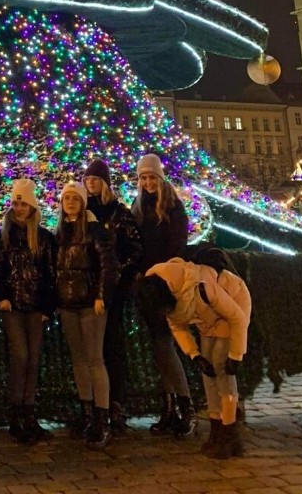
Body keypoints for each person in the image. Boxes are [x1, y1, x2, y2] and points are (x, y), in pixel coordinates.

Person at [136, 256, 251, 458]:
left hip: (231, 309)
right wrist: (195, 355)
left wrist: (236, 354)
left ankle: (229, 432)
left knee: (221, 367)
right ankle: (216, 430)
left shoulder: (201, 286)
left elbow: (237, 317)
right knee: (208, 372)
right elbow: (177, 325)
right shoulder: (167, 294)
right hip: (207, 322)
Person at [131, 153, 196, 437]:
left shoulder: (172, 206)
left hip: (166, 285)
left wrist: (163, 273)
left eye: (151, 177)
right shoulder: (138, 207)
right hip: (146, 285)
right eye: (143, 178)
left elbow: (178, 245)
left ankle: (186, 406)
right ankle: (169, 407)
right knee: (159, 348)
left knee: (166, 345)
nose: (147, 182)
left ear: (160, 178)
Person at [0, 177, 56, 444]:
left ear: (32, 206)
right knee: (20, 355)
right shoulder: (4, 235)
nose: (18, 208)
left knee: (33, 358)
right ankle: (16, 412)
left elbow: (50, 273)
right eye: (15, 203)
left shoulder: (44, 238)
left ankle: (29, 412)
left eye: (23, 203)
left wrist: (48, 307)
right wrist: (1, 296)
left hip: (36, 306)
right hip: (14, 306)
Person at [55, 181, 118, 449]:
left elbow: (108, 264)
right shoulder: (58, 233)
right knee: (79, 360)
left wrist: (102, 295)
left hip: (90, 304)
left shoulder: (93, 230)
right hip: (68, 304)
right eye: (66, 198)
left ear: (82, 203)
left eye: (75, 198)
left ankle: (102, 419)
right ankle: (87, 413)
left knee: (94, 360)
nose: (70, 202)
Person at [82, 157, 143, 434]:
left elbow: (133, 249)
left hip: (114, 291)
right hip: (87, 291)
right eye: (88, 179)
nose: (91, 183)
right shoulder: (83, 211)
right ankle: (94, 405)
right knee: (92, 350)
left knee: (113, 346)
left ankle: (116, 403)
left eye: (95, 179)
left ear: (105, 182)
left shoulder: (119, 212)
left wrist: (118, 275)